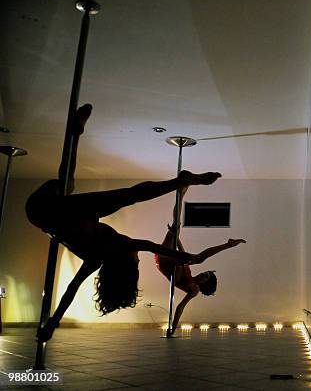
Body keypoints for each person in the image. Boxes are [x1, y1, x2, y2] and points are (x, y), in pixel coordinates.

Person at [28, 104, 222, 342]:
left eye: (136, 264)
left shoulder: (121, 247)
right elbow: (71, 290)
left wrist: (184, 256)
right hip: (45, 213)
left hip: (52, 211)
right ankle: (75, 135)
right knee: (72, 184)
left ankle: (179, 182)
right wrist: (52, 325)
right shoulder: (95, 260)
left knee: (123, 196)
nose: (138, 259)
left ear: (128, 267)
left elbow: (149, 245)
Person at [155, 185, 246, 334]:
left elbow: (180, 307)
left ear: (205, 284)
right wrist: (176, 237)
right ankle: (181, 194)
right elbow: (183, 252)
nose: (203, 275)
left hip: (165, 262)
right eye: (206, 274)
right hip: (171, 256)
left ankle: (228, 245)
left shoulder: (194, 290)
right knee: (176, 226)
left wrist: (172, 328)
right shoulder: (189, 270)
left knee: (196, 258)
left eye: (205, 277)